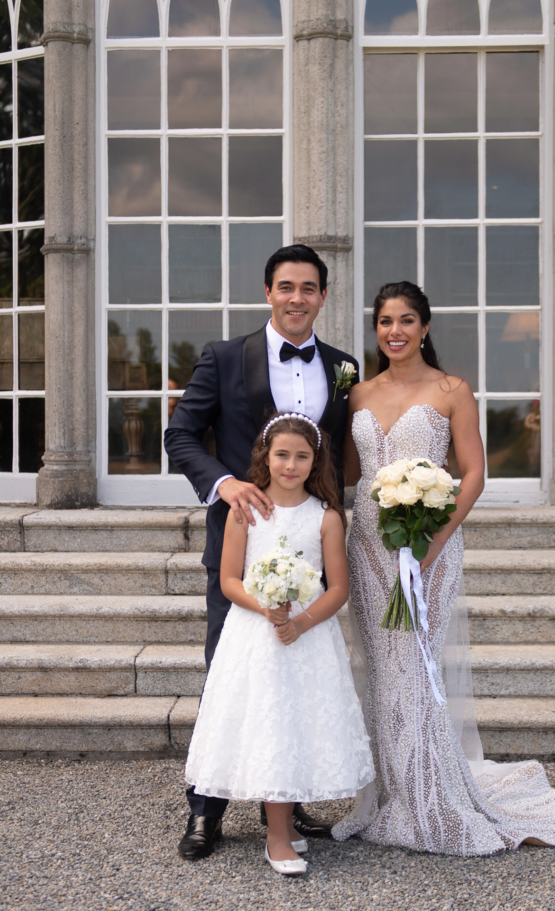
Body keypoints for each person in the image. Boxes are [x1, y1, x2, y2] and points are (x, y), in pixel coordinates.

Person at [332, 281, 555, 853]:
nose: (395, 331)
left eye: (407, 320)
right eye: (385, 321)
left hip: (430, 547)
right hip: (368, 546)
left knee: (416, 670)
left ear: (425, 327)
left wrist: (431, 545)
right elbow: (350, 474)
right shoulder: (359, 395)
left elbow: (473, 475)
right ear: (376, 330)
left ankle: (434, 798)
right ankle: (395, 794)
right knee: (382, 672)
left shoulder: (451, 390)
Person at [164, 244, 359, 860]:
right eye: (285, 286)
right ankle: (206, 810)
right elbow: (180, 434)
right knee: (230, 675)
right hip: (243, 544)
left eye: (308, 287)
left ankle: (290, 796)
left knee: (299, 680)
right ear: (268, 292)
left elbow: (345, 451)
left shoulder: (344, 366)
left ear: (323, 296)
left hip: (309, 534)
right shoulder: (224, 357)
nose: (296, 297)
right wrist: (226, 485)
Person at [184, 413, 374, 875]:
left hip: (307, 639)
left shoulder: (326, 518)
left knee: (298, 724)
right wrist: (265, 606)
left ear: (316, 462)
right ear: (265, 458)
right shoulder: (244, 511)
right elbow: (229, 580)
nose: (291, 465)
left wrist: (301, 622)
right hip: (255, 636)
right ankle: (275, 838)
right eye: (282, 455)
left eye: (302, 456)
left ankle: (284, 826)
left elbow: (337, 589)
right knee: (270, 723)